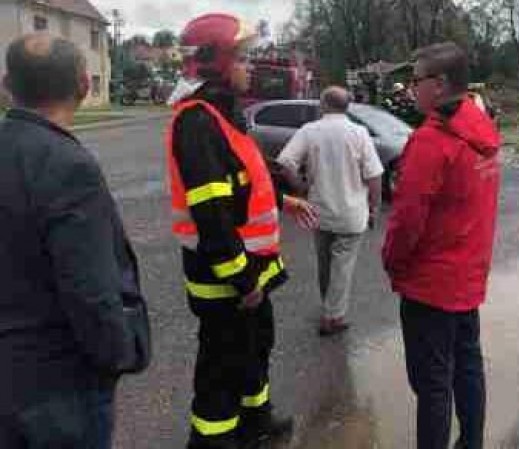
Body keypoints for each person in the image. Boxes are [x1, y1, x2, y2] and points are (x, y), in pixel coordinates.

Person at [166, 14, 318, 449]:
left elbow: (244, 181)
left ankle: (256, 422)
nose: (250, 65)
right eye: (243, 56)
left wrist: (282, 199)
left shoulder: (223, 113)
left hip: (251, 269)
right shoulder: (197, 121)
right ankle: (213, 440)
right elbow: (211, 211)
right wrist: (241, 278)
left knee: (256, 348)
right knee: (222, 364)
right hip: (225, 277)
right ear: (216, 60)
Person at [0, 34, 143, 448]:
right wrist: (119, 355)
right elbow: (91, 289)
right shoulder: (67, 165)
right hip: (57, 389)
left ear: (8, 85)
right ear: (84, 85)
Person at [382, 42, 501, 449]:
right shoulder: (482, 129)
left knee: (432, 384)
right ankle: (471, 442)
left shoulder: (431, 142)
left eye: (417, 80)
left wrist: (392, 262)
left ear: (441, 83)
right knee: (467, 367)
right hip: (468, 276)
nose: (411, 88)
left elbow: (406, 219)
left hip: (430, 284)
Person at [278, 86, 384, 336]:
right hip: (351, 214)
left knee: (326, 265)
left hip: (319, 211)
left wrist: (302, 188)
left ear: (323, 104)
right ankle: (332, 316)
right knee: (341, 267)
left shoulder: (309, 131)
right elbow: (375, 176)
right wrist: (374, 207)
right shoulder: (359, 133)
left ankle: (330, 309)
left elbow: (285, 164)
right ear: (346, 106)